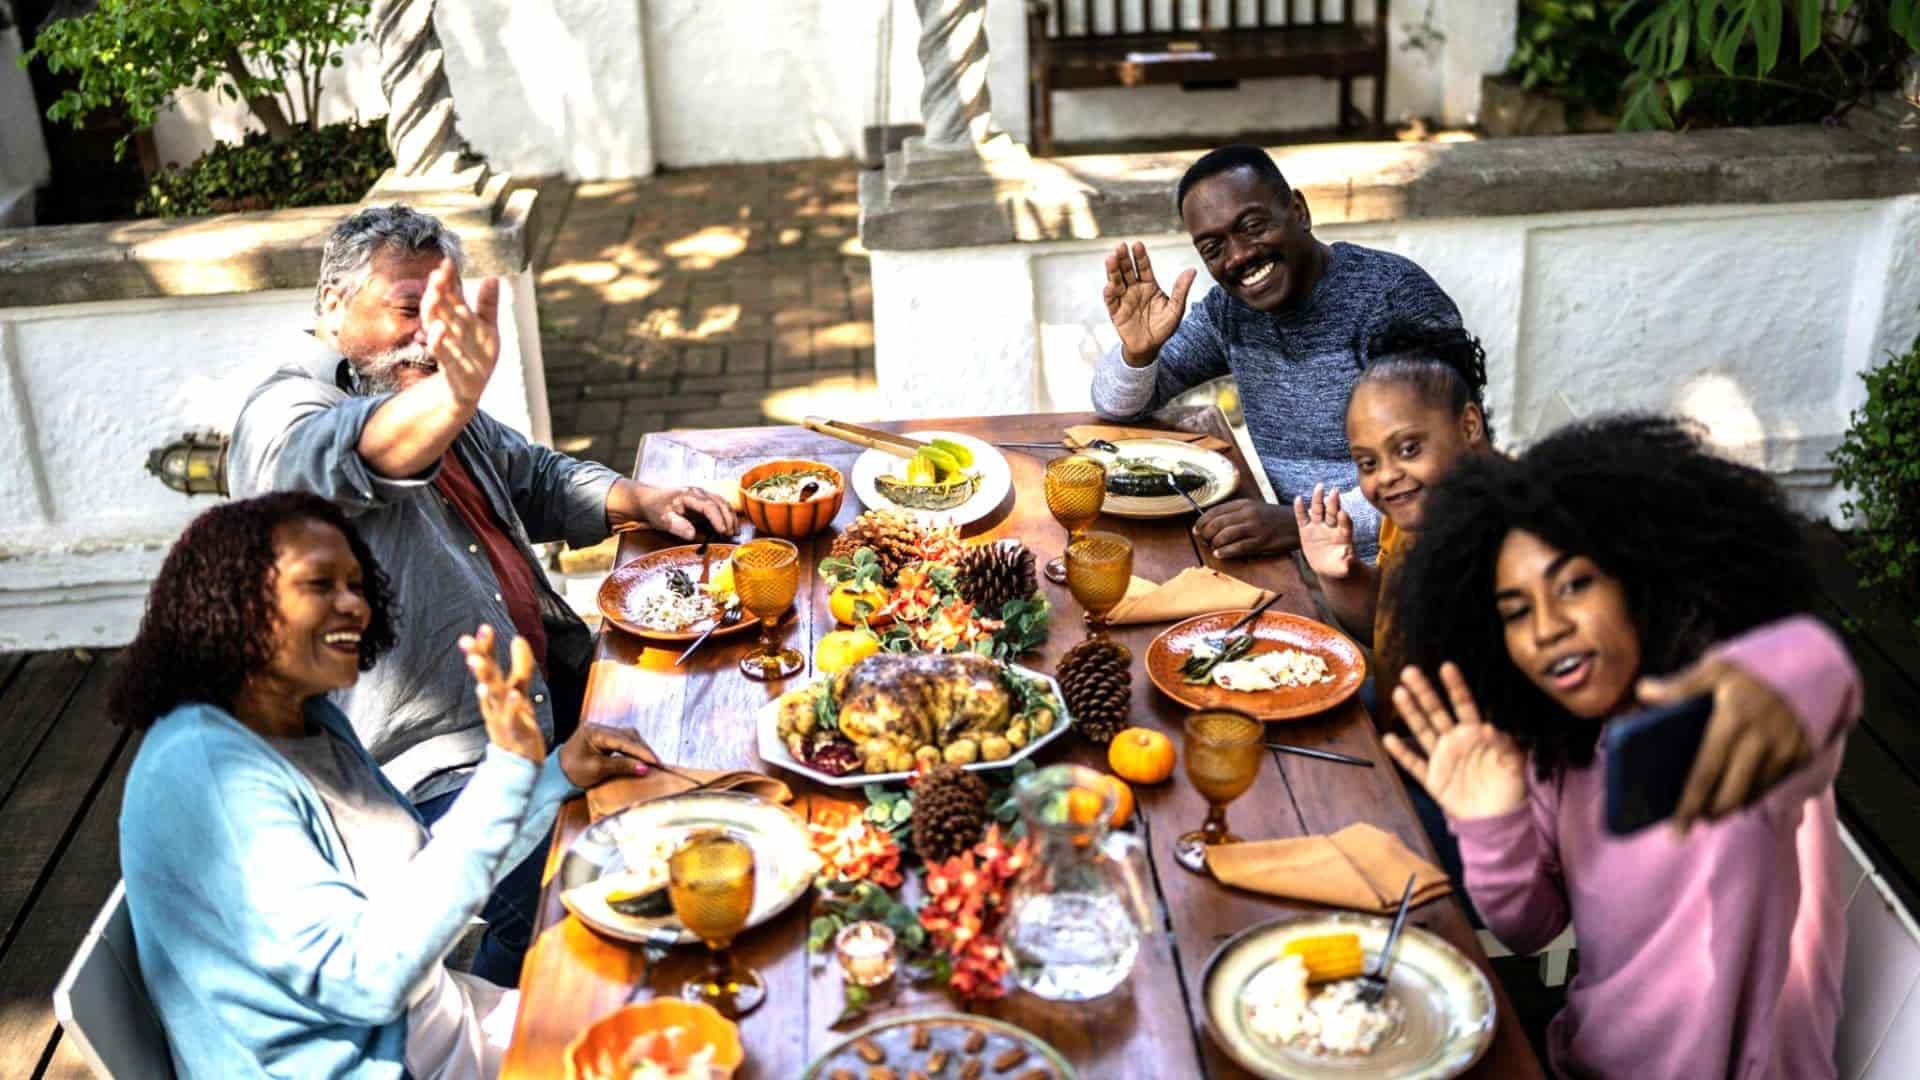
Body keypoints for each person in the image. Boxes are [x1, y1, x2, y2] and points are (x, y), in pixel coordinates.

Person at [228, 204, 735, 986]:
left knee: (721, 732)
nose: (432, 332)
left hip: (551, 691)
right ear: (333, 304)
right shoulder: (285, 413)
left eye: (447, 309)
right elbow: (339, 459)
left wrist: (642, 501)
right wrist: (453, 394)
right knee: (573, 894)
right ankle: (505, 1012)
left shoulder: (430, 397)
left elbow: (535, 475)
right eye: (409, 308)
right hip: (437, 769)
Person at [113, 493, 656, 1078]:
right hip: (391, 1062)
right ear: (233, 600)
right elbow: (365, 979)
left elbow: (429, 873)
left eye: (357, 582)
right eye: (320, 584)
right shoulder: (213, 773)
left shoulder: (303, 718)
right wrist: (505, 775)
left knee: (676, 1017)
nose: (355, 605)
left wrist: (553, 776)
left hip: (441, 1024)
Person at [1382, 415, 1855, 1079]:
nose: (1547, 628)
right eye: (1517, 610)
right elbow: (1532, 929)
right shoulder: (1557, 755)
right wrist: (1490, 826)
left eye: (1574, 584)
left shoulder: (1746, 729)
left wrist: (1773, 676)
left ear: (1638, 580)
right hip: (1583, 1061)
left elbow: (1818, 670)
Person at [1091, 144, 1462, 560]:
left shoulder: (1392, 298)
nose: (1240, 255)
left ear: (1299, 211)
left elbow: (1445, 469)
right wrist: (1138, 353)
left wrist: (1295, 524)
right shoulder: (1230, 312)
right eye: (1213, 248)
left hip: (1419, 562)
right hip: (1313, 559)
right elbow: (1115, 407)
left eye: (1252, 226)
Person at [1296, 317, 1497, 731]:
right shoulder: (1415, 511)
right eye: (1368, 463)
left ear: (1469, 425)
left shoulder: (1511, 536)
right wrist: (1340, 575)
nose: (1386, 475)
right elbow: (1385, 628)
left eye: (1407, 448)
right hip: (1399, 716)